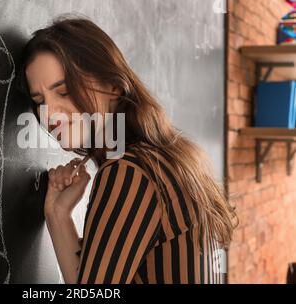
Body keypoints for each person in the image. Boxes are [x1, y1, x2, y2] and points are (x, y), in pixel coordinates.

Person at [19, 15, 237, 284]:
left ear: (112, 86)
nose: (49, 113)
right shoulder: (165, 159)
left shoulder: (128, 173)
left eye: (63, 92)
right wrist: (58, 215)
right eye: (39, 100)